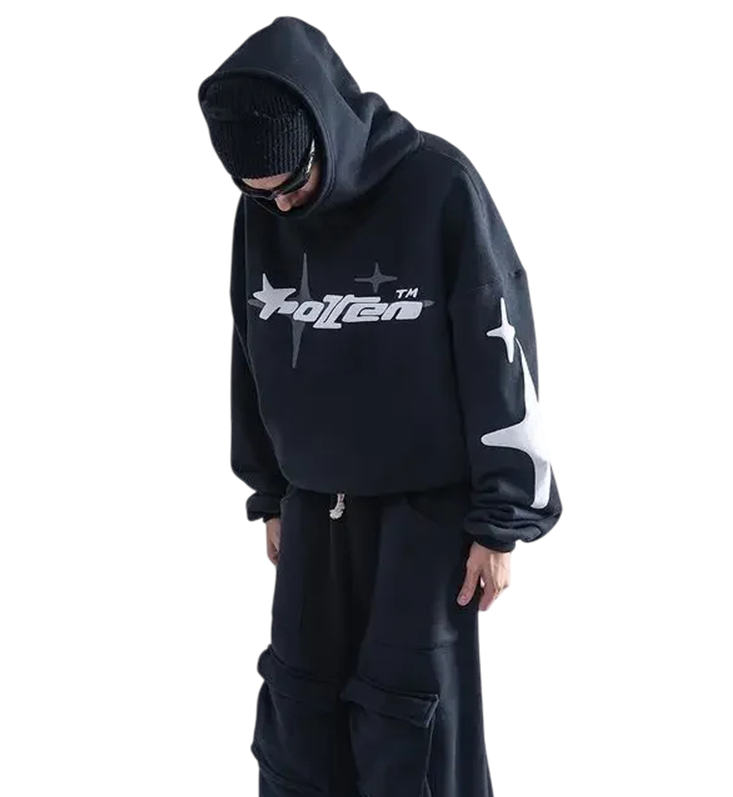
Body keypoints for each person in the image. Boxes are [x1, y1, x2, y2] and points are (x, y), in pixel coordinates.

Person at [198, 15, 563, 797]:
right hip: (311, 510)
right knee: (298, 723)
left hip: (425, 516)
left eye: (292, 185)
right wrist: (269, 490)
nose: (281, 208)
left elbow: (500, 345)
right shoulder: (262, 212)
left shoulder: (438, 186)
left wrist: (500, 519)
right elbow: (251, 345)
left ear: (323, 130)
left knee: (410, 731)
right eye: (259, 194)